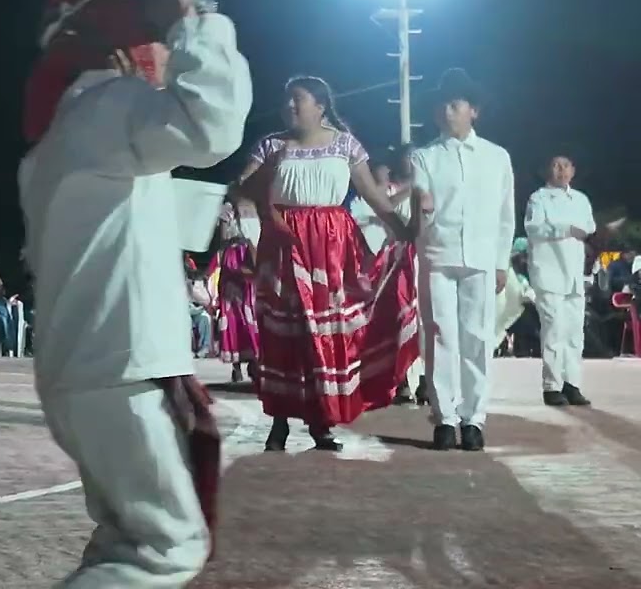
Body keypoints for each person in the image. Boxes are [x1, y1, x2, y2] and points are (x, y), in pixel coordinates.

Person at [19, 0, 251, 586]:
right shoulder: (105, 106)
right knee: (162, 549)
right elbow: (213, 123)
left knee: (127, 541)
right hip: (117, 371)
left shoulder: (69, 128)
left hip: (94, 371)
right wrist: (192, 23)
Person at [241, 76, 418, 452]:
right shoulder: (271, 146)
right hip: (284, 244)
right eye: (286, 100)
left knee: (324, 336)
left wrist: (405, 231)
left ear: (320, 106)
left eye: (298, 100)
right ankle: (279, 421)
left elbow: (374, 196)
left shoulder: (344, 145)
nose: (290, 106)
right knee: (285, 334)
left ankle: (322, 420)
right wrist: (265, 194)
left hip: (331, 248)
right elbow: (240, 187)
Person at [410, 68, 515, 451]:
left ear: (474, 111)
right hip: (438, 256)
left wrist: (501, 262)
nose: (447, 111)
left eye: (455, 104)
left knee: (477, 339)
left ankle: (474, 419)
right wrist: (421, 205)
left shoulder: (496, 157)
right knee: (440, 338)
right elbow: (419, 203)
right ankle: (444, 418)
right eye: (442, 105)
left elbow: (506, 215)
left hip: (482, 258)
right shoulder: (425, 157)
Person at [525, 155, 595, 406]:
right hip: (549, 273)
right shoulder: (539, 198)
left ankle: (572, 383)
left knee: (574, 332)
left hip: (574, 275)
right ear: (546, 170)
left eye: (566, 165)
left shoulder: (581, 200)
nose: (561, 170)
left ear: (573, 170)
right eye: (556, 165)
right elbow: (534, 229)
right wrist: (564, 229)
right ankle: (552, 386)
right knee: (554, 329)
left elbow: (589, 229)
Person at [212, 204, 259, 382]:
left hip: (251, 258)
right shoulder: (227, 210)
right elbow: (223, 238)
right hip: (233, 259)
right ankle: (236, 364)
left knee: (251, 311)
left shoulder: (256, 205)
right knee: (234, 313)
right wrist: (240, 237)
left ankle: (254, 361)